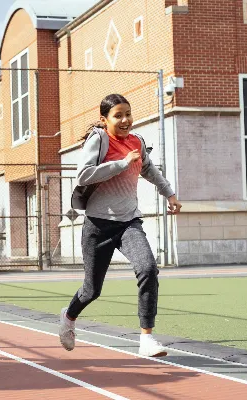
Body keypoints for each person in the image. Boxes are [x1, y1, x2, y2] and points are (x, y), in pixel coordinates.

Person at [60, 94, 182, 357]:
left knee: (148, 268)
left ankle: (147, 338)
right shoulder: (100, 140)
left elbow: (148, 169)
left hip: (129, 223)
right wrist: (121, 163)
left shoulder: (137, 141)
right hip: (98, 225)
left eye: (128, 113)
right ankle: (69, 317)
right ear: (105, 120)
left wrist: (170, 194)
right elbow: (84, 175)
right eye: (118, 115)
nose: (125, 120)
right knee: (92, 290)